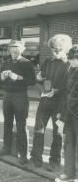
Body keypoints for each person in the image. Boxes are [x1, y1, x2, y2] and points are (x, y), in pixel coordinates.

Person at [28, 34, 72, 171]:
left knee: (57, 134)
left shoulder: (70, 64)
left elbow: (70, 88)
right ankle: (36, 159)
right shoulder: (47, 61)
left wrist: (56, 91)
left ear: (66, 49)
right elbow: (42, 78)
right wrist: (40, 79)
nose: (55, 52)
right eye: (53, 49)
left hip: (60, 104)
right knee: (38, 130)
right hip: (45, 101)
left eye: (58, 50)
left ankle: (54, 162)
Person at [0, 40, 36, 165]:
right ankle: (6, 148)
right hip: (7, 96)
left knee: (21, 125)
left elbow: (32, 81)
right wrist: (1, 78)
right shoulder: (6, 62)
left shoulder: (27, 63)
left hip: (20, 96)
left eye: (16, 48)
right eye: (11, 48)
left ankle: (23, 154)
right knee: (7, 123)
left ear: (22, 49)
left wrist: (17, 77)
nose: (13, 50)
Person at [55, 45, 78, 182]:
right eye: (72, 59)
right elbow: (65, 94)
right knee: (69, 144)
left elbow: (73, 98)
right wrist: (60, 113)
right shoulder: (71, 71)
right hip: (69, 114)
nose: (73, 61)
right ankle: (69, 174)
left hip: (75, 114)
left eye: (76, 59)